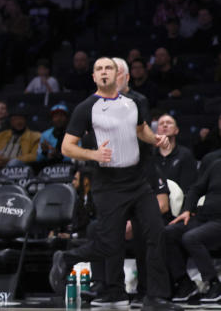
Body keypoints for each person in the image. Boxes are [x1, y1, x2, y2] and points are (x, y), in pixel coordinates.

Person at [50, 57, 181, 311]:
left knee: (156, 233)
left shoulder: (133, 103)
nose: (104, 72)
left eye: (108, 68)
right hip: (109, 185)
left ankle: (154, 296)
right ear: (94, 77)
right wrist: (94, 155)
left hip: (138, 182)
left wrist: (156, 139)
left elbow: (140, 129)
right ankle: (67, 258)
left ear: (118, 74)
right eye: (98, 69)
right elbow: (67, 146)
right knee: (110, 244)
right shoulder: (86, 107)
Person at [165, 159, 221, 303]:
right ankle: (184, 283)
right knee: (168, 232)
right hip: (203, 217)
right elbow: (196, 189)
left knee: (191, 238)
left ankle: (213, 283)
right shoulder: (216, 165)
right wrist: (187, 210)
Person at [151, 114, 197, 194]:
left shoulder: (185, 154)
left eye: (169, 123)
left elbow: (188, 187)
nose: (165, 125)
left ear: (176, 130)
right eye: (161, 123)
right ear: (157, 130)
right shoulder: (150, 155)